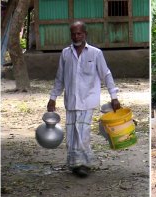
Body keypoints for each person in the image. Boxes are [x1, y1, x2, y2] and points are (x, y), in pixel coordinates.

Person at [47, 21, 121, 178]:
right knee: (72, 133)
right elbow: (60, 77)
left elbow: (106, 74)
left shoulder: (95, 53)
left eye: (79, 33)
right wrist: (53, 97)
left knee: (83, 132)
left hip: (88, 100)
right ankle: (74, 163)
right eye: (73, 33)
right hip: (71, 101)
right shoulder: (65, 54)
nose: (76, 36)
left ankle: (84, 164)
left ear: (85, 34)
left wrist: (114, 97)